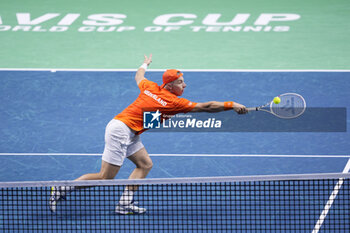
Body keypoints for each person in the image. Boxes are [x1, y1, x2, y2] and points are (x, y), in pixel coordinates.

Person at [49, 54, 248, 214]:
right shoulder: (175, 102)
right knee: (105, 177)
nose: (184, 85)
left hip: (129, 130)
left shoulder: (150, 86)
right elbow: (207, 106)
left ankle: (124, 204)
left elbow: (139, 77)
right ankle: (62, 187)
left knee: (145, 164)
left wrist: (144, 63)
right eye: (180, 82)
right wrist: (232, 105)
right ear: (169, 86)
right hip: (120, 130)